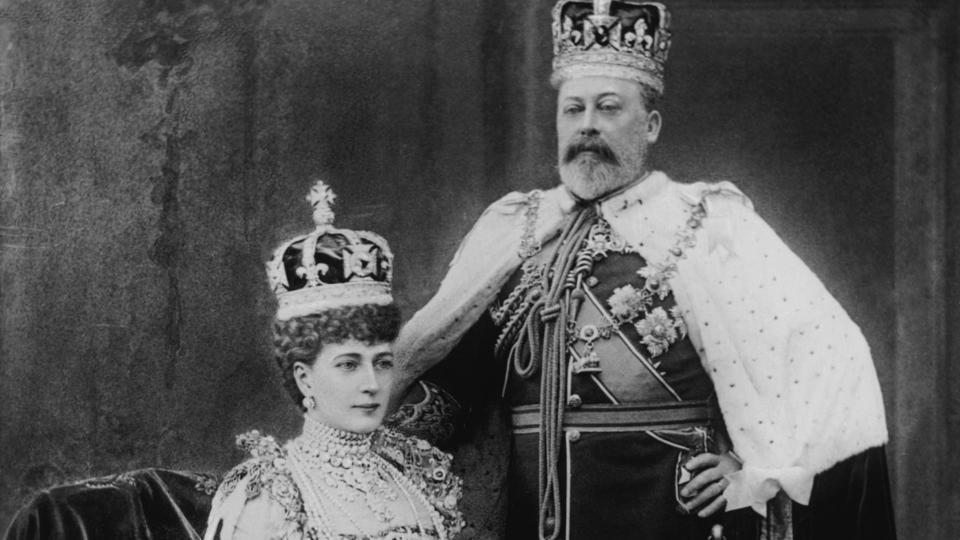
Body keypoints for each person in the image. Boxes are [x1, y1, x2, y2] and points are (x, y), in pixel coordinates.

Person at [394, 1, 895, 539]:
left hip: (668, 517)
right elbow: (460, 381)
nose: (587, 125)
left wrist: (753, 473)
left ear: (651, 124)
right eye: (573, 109)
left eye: (609, 108)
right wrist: (378, 419)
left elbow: (825, 363)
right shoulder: (515, 232)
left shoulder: (709, 226)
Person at [204, 181, 465, 540]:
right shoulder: (272, 493)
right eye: (348, 364)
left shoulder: (415, 472)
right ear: (304, 378)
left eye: (383, 362)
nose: (372, 383)